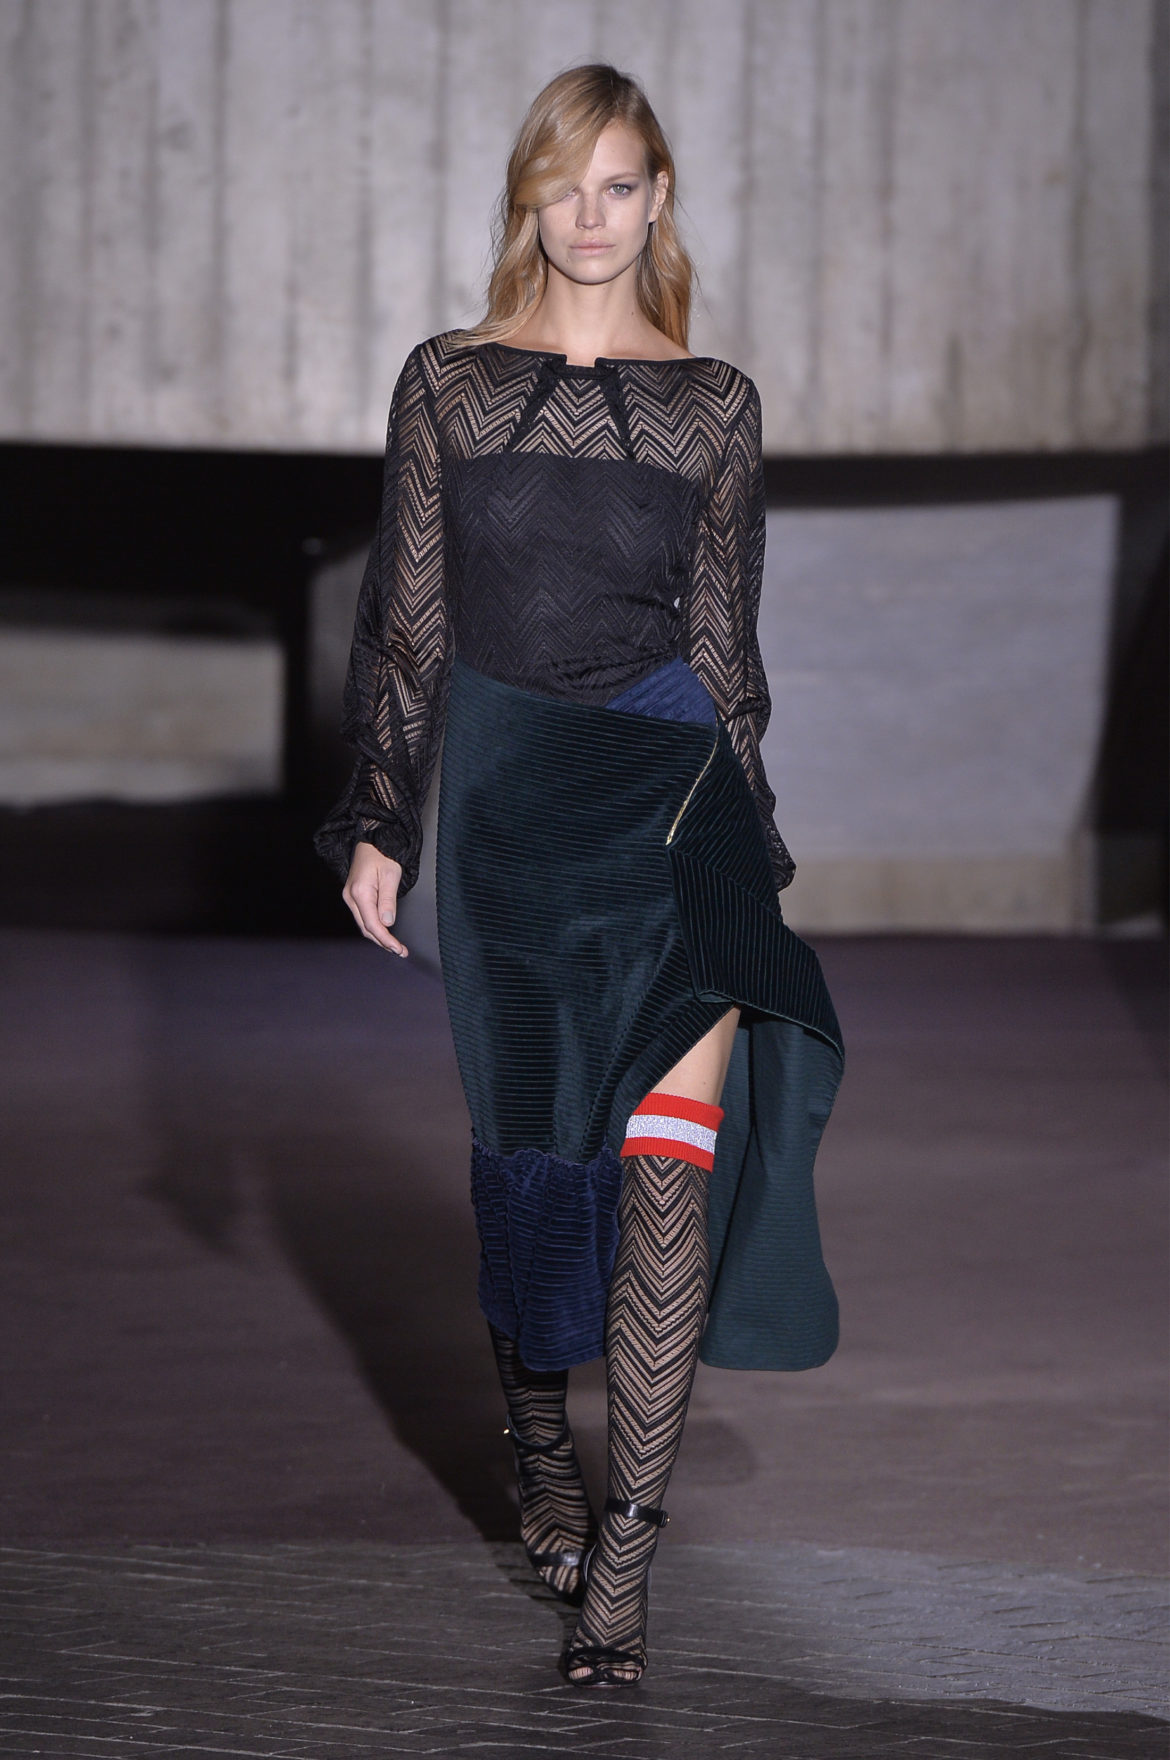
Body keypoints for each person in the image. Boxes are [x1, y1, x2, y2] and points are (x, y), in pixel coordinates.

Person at [316, 63, 844, 1688]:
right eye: (564, 188)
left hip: (671, 803)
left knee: (667, 1172)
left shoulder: (716, 406)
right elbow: (407, 626)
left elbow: (725, 649)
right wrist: (380, 815)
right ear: (526, 201)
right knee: (536, 1162)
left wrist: (752, 849)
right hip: (505, 813)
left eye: (620, 185)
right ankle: (538, 1451)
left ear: (659, 195)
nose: (592, 216)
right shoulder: (449, 384)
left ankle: (623, 1561)